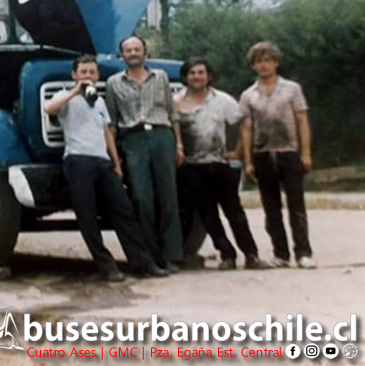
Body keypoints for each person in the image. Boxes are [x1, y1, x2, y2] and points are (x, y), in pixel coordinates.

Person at [44, 55, 169, 281]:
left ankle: (142, 262)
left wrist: (117, 163)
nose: (88, 76)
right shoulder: (65, 95)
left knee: (124, 210)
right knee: (87, 215)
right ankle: (106, 266)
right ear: (74, 75)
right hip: (77, 160)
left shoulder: (99, 102)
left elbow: (107, 132)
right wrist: (75, 91)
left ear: (97, 75)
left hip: (102, 161)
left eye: (92, 72)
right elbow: (49, 109)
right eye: (83, 72)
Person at [174, 57, 269, 270]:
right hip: (191, 167)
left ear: (209, 76)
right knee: (208, 215)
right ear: (185, 77)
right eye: (192, 73)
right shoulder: (177, 102)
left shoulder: (222, 99)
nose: (197, 77)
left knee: (234, 211)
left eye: (201, 72)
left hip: (219, 164)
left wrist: (238, 152)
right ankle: (227, 254)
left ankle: (251, 255)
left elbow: (244, 122)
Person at [105, 36, 183, 272]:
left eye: (137, 49)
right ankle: (150, 256)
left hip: (161, 135)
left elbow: (173, 114)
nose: (133, 53)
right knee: (141, 198)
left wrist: (178, 144)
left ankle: (171, 255)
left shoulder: (160, 77)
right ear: (122, 56)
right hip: (133, 139)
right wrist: (114, 158)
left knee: (168, 196)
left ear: (145, 53)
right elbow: (112, 123)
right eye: (128, 50)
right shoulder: (113, 83)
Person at [239, 42, 315, 269]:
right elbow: (246, 128)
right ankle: (280, 253)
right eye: (258, 61)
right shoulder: (248, 95)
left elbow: (302, 121)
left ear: (276, 62)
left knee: (296, 205)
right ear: (253, 66)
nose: (263, 65)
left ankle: (303, 252)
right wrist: (248, 160)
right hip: (263, 154)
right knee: (271, 208)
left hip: (288, 152)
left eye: (267, 60)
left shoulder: (292, 88)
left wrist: (306, 153)